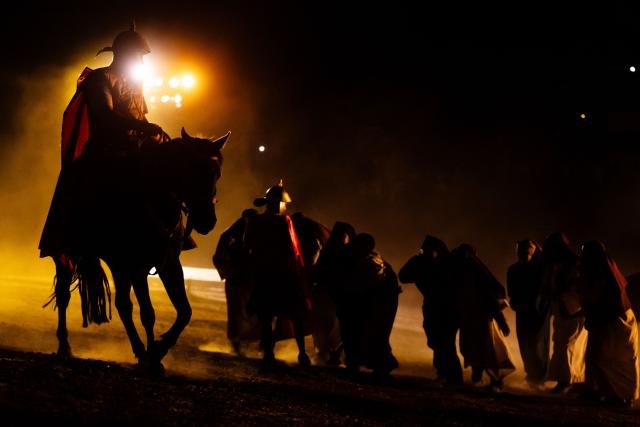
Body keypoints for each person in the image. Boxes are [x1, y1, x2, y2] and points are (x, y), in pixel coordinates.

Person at [243, 180, 312, 366]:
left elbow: (249, 246)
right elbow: (294, 250)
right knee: (287, 315)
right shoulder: (282, 221)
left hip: (270, 274)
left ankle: (278, 353)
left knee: (270, 316)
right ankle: (298, 353)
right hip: (282, 275)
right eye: (282, 203)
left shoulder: (257, 221)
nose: (284, 207)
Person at [577, 241, 639, 406]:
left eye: (584, 252)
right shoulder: (600, 269)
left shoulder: (600, 272)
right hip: (612, 319)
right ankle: (597, 390)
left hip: (615, 321)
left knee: (612, 359)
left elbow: (598, 299)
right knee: (598, 357)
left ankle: (619, 395)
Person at [399, 235, 462, 385]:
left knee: (446, 342)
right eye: (424, 250)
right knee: (435, 340)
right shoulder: (421, 263)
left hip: (449, 309)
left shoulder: (448, 265)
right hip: (431, 306)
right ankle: (443, 372)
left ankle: (454, 377)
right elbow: (403, 276)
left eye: (430, 251)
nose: (427, 253)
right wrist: (416, 260)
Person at [450, 244, 515, 391]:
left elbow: (489, 297)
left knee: (487, 349)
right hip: (468, 317)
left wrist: (501, 321)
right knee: (471, 347)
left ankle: (496, 381)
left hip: (482, 317)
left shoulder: (477, 273)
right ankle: (477, 374)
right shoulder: (460, 272)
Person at [345, 233, 401, 375]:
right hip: (378, 303)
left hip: (379, 305)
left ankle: (382, 363)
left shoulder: (372, 262)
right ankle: (379, 362)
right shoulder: (372, 260)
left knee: (375, 334)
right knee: (374, 334)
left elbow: (368, 284)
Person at [540, 232, 587, 393]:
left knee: (569, 344)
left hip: (574, 309)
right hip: (561, 309)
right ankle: (567, 380)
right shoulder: (554, 264)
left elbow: (579, 286)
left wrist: (564, 293)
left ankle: (568, 381)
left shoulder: (574, 263)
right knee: (561, 343)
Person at [213, 208, 260, 355]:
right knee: (236, 313)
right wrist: (228, 272)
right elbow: (218, 257)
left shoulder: (254, 235)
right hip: (237, 280)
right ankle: (237, 344)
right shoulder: (229, 235)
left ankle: (248, 343)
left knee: (253, 312)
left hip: (251, 279)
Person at [313, 221, 356, 365]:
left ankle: (335, 353)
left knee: (339, 327)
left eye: (343, 236)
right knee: (323, 325)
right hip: (325, 294)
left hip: (341, 296)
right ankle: (323, 353)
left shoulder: (352, 256)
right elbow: (318, 271)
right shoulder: (327, 252)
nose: (340, 238)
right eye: (338, 235)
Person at [506, 239, 548, 387]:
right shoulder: (513, 269)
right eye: (519, 251)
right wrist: (515, 303)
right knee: (524, 343)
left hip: (537, 313)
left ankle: (539, 376)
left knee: (537, 344)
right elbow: (511, 291)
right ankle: (531, 373)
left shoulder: (540, 269)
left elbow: (542, 291)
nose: (521, 254)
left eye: (525, 250)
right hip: (522, 312)